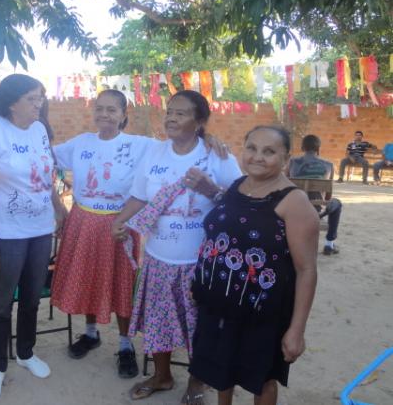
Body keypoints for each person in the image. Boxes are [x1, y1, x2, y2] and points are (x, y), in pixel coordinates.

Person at [111, 90, 242, 404]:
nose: (171, 117)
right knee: (158, 321)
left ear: (199, 122)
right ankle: (162, 376)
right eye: (169, 111)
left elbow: (240, 204)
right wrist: (120, 220)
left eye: (181, 113)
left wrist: (211, 189)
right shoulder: (155, 153)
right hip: (158, 257)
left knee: (201, 326)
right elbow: (140, 196)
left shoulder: (218, 156)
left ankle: (197, 383)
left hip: (201, 262)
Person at [190, 125, 319, 405]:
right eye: (252, 148)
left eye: (269, 152)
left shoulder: (293, 201)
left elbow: (306, 270)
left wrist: (296, 330)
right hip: (219, 305)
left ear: (286, 158)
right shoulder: (239, 186)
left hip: (263, 312)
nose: (258, 157)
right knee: (222, 371)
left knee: (261, 380)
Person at [0, 74, 68, 403]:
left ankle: (25, 353)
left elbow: (45, 176)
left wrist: (58, 210)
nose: (39, 103)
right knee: (1, 301)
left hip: (40, 230)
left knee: (30, 297)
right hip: (6, 233)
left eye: (40, 97)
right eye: (31, 98)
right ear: (12, 102)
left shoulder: (39, 130)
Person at [50, 89, 156, 378]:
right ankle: (91, 333)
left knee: (121, 283)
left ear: (124, 115)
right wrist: (56, 204)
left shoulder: (140, 145)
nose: (104, 115)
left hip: (119, 225)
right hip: (83, 221)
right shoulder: (81, 143)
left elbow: (178, 149)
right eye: (99, 109)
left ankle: (124, 345)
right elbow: (44, 156)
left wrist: (208, 139)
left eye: (111, 110)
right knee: (88, 279)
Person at [288, 134, 343, 255]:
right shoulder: (328, 165)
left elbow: (285, 187)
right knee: (336, 203)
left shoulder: (292, 162)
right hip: (316, 212)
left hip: (294, 211)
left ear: (302, 148)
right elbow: (328, 197)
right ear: (318, 149)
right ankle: (329, 244)